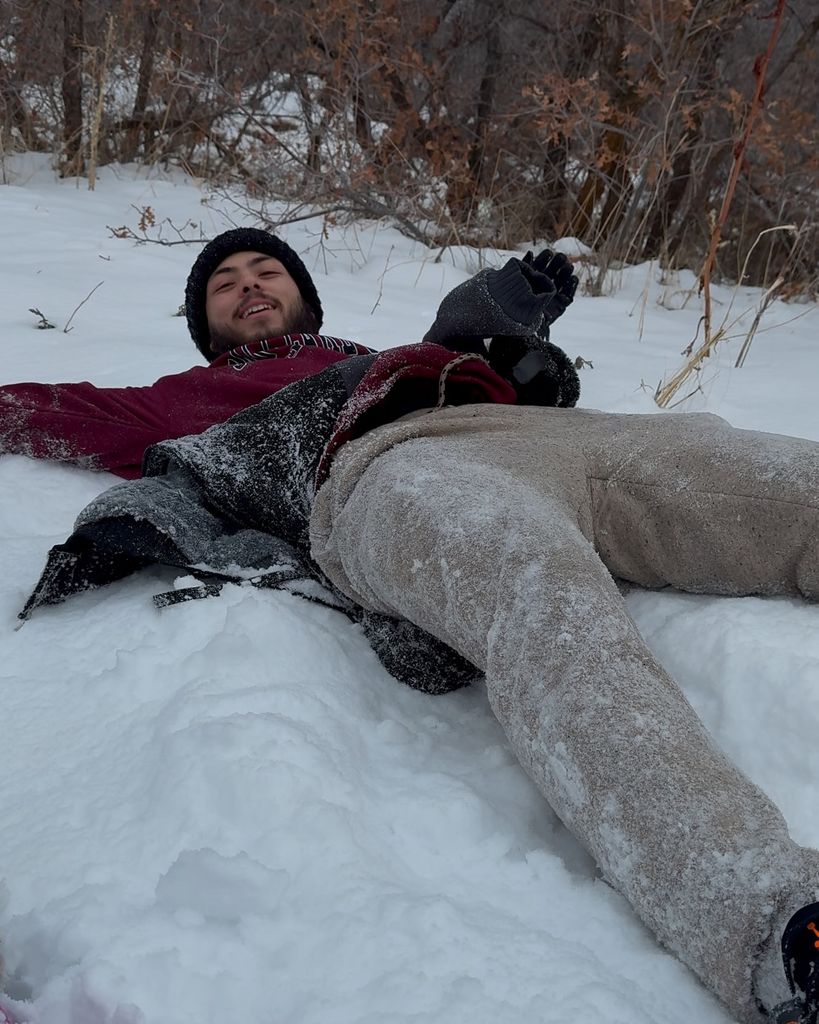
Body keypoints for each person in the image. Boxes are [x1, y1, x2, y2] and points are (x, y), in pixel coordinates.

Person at [5, 231, 819, 1024]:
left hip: (551, 434)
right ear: (204, 320)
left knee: (795, 485)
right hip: (389, 472)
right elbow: (52, 409)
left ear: (301, 294)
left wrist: (504, 323)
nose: (249, 284)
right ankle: (772, 925)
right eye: (225, 283)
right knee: (543, 601)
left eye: (265, 270)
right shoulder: (174, 399)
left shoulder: (380, 353)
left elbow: (461, 333)